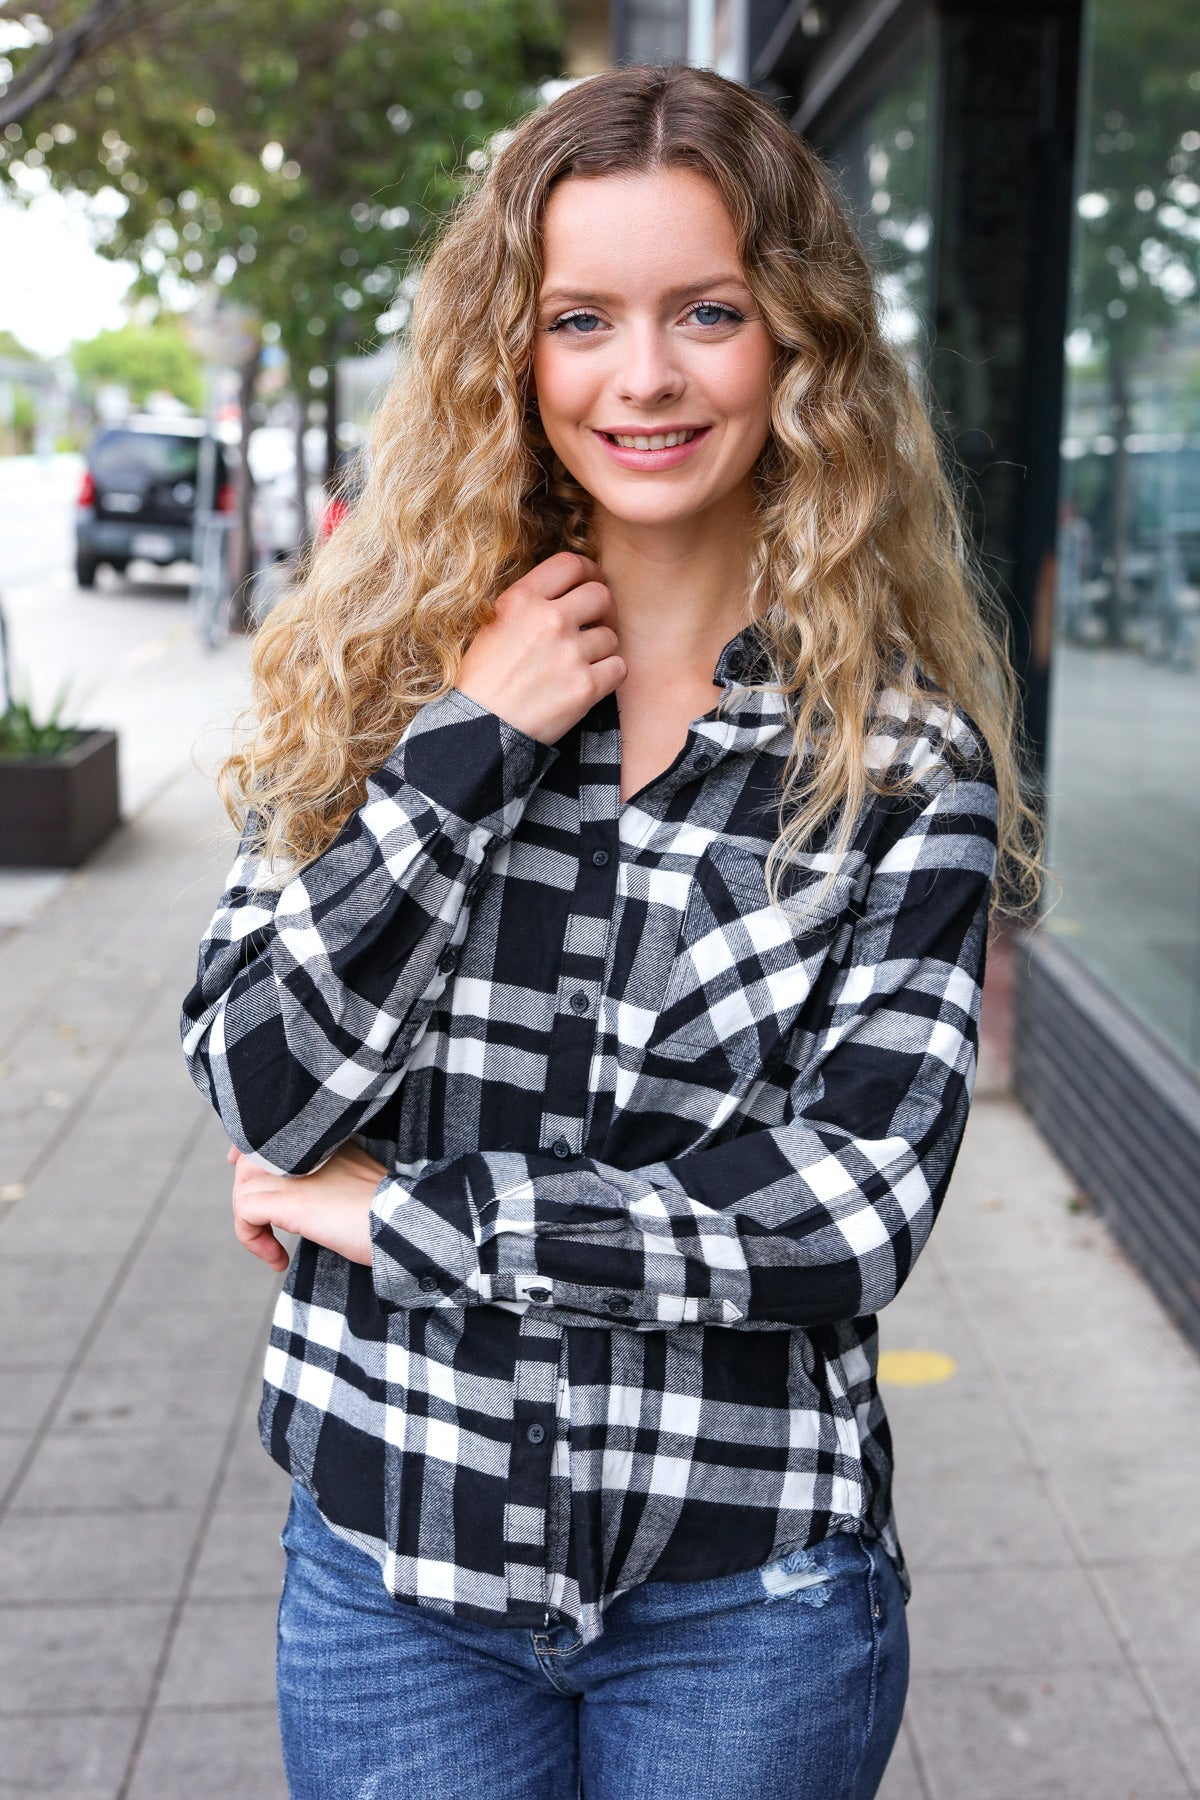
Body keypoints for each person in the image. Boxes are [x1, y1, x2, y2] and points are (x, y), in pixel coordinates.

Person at [180, 62, 1037, 1800]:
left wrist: (418, 1216)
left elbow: (850, 1209)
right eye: (581, 318)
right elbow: (262, 1087)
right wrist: (468, 751)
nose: (642, 376)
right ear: (515, 352)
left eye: (706, 311)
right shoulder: (379, 692)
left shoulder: (893, 760)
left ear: (797, 345)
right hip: (394, 1578)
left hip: (748, 1603)